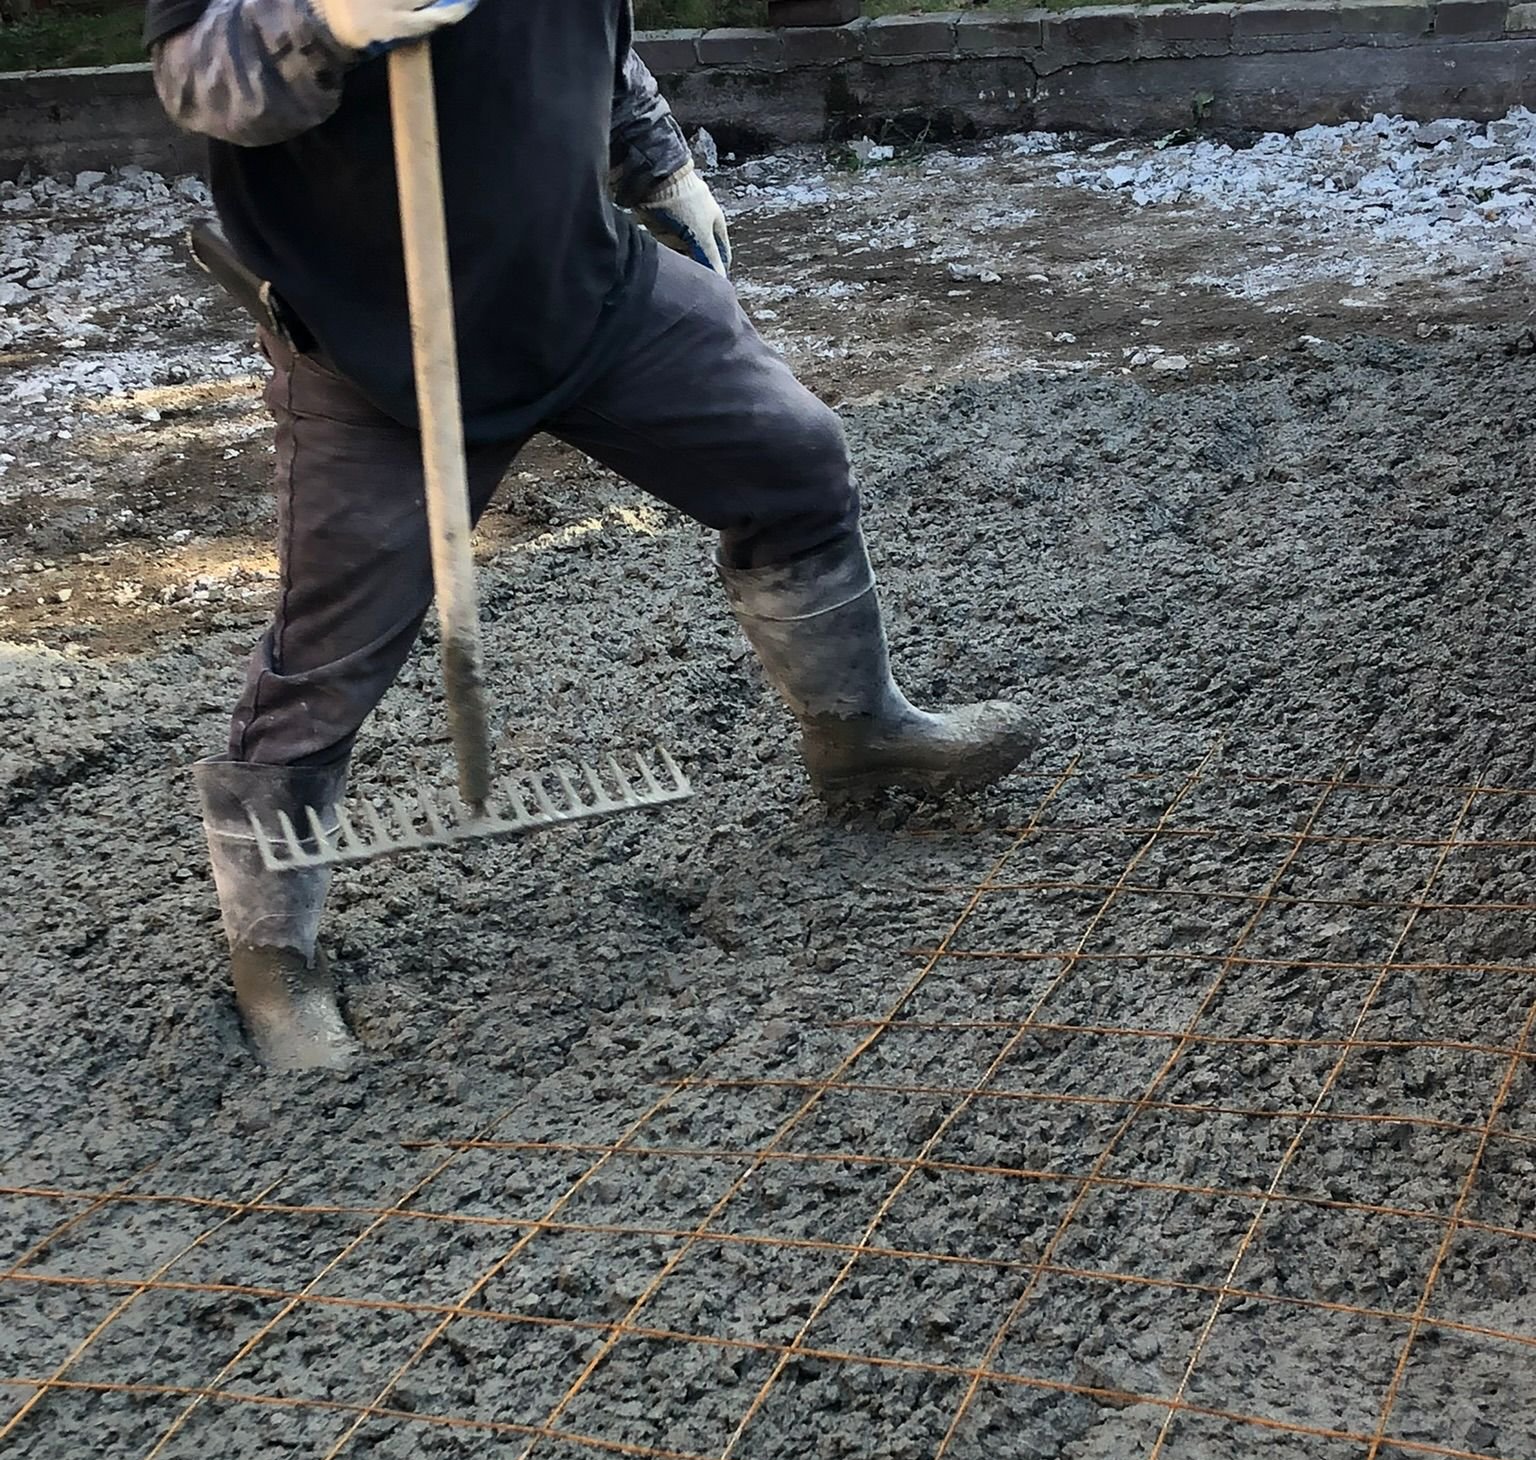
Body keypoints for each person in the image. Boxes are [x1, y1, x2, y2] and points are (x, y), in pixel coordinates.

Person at [145, 0, 1035, 1071]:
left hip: (583, 285)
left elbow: (588, 33)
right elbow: (200, 80)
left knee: (791, 457)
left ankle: (859, 733)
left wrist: (656, 164)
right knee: (328, 656)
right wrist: (327, 21)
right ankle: (272, 956)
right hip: (378, 348)